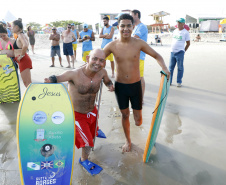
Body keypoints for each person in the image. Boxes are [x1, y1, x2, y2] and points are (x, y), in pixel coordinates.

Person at [103, 14, 170, 152]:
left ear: (133, 27)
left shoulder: (138, 43)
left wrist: (164, 68)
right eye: (123, 26)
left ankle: (142, 128)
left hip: (135, 86)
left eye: (129, 26)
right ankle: (128, 141)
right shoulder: (112, 45)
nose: (126, 29)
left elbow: (157, 56)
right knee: (125, 115)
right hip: (120, 87)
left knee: (138, 120)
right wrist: (107, 81)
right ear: (118, 27)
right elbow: (96, 61)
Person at [44, 49, 114, 175]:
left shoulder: (102, 72)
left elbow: (107, 81)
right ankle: (84, 159)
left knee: (92, 133)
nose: (98, 63)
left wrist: (110, 85)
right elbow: (57, 78)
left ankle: (95, 130)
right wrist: (50, 80)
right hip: (77, 115)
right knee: (87, 142)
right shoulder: (74, 74)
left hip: (92, 111)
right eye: (94, 59)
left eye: (101, 60)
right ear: (87, 58)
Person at [131, 9, 148, 103]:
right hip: (134, 56)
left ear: (136, 15)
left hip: (139, 56)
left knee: (140, 77)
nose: (131, 17)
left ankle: (141, 99)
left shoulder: (142, 27)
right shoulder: (136, 27)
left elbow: (134, 38)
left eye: (131, 15)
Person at [169, 18, 190, 87]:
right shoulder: (175, 31)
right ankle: (169, 81)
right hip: (172, 52)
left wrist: (183, 51)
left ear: (183, 24)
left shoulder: (185, 32)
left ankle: (179, 81)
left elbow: (188, 43)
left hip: (180, 52)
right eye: (177, 22)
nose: (178, 24)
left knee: (180, 67)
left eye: (180, 23)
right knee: (171, 67)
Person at [11, 20, 32, 87]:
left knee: (28, 84)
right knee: (27, 84)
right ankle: (31, 97)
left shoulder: (20, 35)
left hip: (23, 60)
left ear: (16, 27)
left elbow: (25, 45)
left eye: (12, 26)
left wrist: (21, 56)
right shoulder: (21, 35)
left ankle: (33, 97)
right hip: (22, 60)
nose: (11, 28)